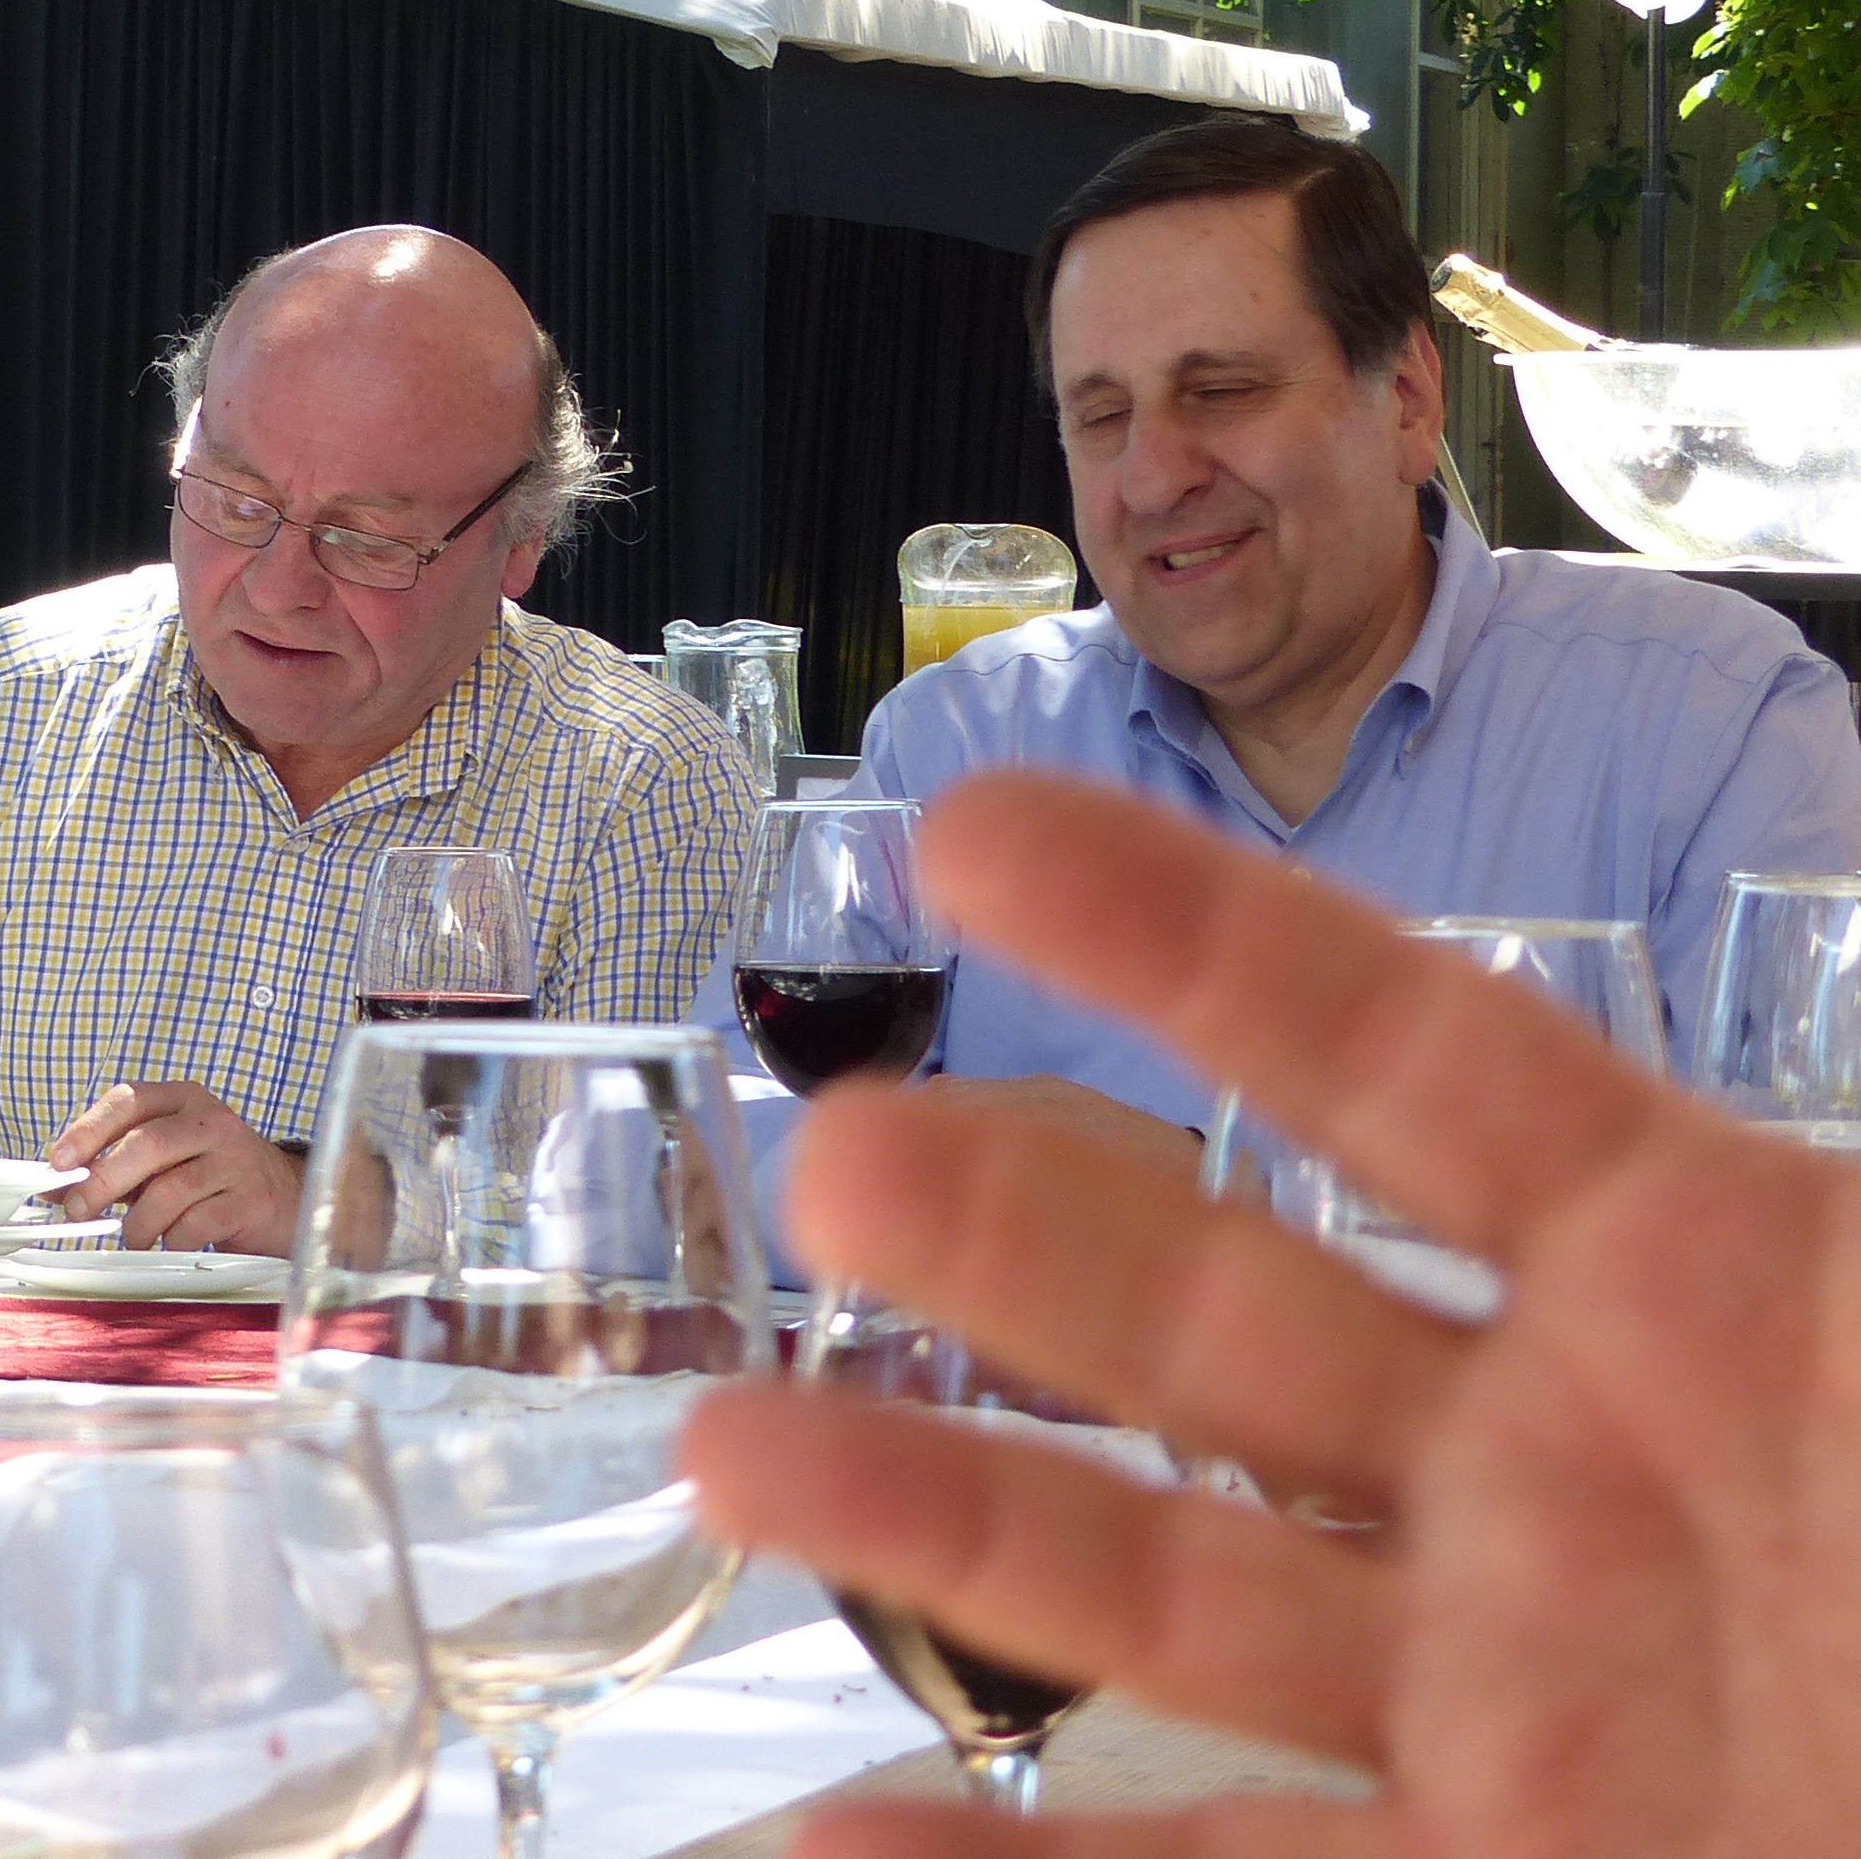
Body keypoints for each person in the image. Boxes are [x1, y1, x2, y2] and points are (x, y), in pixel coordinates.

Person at [683, 767, 1861, 1856]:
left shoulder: (1716, 726)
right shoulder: (950, 733)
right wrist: (895, 1183)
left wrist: (1243, 1204)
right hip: (1093, 1541)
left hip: (1592, 1591)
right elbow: (716, 1153)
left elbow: (1757, 1208)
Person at [0, 226, 762, 1257]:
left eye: (365, 539)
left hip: (409, 1417)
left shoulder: (639, 782)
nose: (276, 585)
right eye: (234, 503)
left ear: (521, 540)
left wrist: (329, 1205)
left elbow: (665, 1223)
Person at [857, 117, 1861, 1159]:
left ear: (1410, 402)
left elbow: (1793, 1207)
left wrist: (1222, 1199)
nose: (1153, 479)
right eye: (1102, 416)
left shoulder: (1718, 723)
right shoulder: (955, 749)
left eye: (1222, 392)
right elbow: (753, 1142)